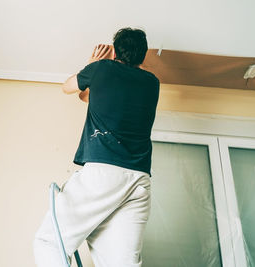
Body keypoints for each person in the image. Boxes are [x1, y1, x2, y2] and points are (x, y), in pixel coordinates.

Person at [33, 27, 160, 267]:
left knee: (49, 242)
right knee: (121, 262)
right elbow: (91, 98)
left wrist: (91, 64)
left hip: (104, 173)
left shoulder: (102, 68)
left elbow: (68, 87)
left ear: (114, 52)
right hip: (139, 182)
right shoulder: (152, 83)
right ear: (143, 56)